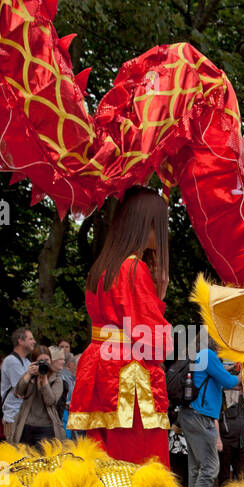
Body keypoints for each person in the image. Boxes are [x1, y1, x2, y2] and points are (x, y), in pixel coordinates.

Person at [67, 186, 172, 465]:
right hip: (129, 379)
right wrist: (159, 299)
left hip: (101, 370)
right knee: (139, 465)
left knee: (104, 464)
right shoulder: (134, 269)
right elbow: (156, 342)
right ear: (147, 225)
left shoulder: (103, 268)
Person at [181, 339, 240, 487]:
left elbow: (215, 376)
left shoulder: (200, 356)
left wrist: (230, 369)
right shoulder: (208, 355)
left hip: (189, 415)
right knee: (211, 467)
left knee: (196, 467)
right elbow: (230, 382)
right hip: (201, 416)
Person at [10, 348, 65, 446]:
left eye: (47, 360)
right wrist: (28, 374)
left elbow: (50, 401)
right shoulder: (30, 376)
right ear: (34, 362)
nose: (44, 363)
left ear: (51, 360)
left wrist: (44, 381)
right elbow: (18, 392)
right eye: (40, 361)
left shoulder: (56, 379)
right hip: (26, 426)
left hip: (47, 427)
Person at [0, 328, 35, 442]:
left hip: (23, 415)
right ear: (20, 341)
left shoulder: (26, 362)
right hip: (13, 416)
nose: (34, 342)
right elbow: (21, 389)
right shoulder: (11, 361)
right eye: (30, 339)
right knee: (14, 452)